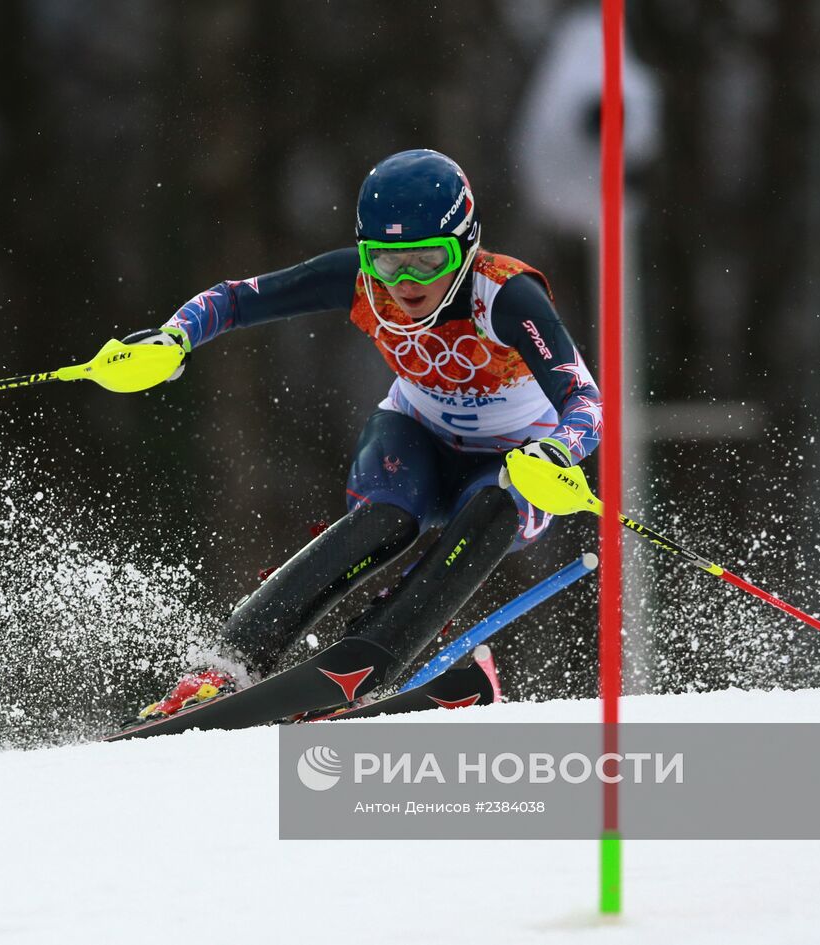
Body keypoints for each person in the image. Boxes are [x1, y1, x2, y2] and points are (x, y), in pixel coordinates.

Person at [120, 149, 602, 721]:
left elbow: (586, 401)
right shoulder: (359, 282)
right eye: (387, 261)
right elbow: (232, 300)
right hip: (415, 436)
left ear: (467, 246)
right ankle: (221, 670)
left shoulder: (505, 295)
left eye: (428, 259)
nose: (405, 282)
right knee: (387, 518)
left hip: (514, 460)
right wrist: (173, 339)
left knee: (494, 506)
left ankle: (369, 663)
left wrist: (558, 451)